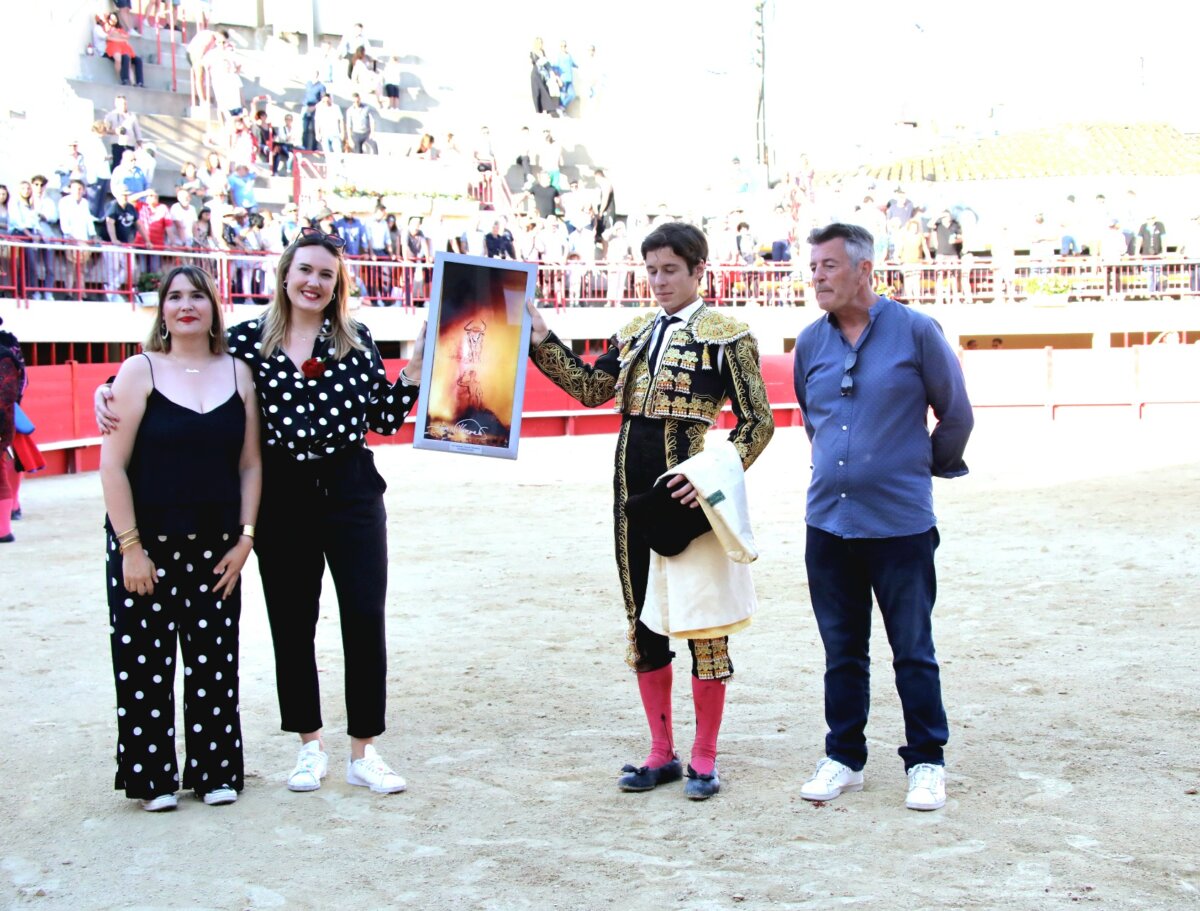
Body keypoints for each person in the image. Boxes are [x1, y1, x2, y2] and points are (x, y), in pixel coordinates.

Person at [97, 228, 428, 796]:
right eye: (305, 270)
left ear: (337, 285)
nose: (313, 282)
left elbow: (384, 417)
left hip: (351, 489)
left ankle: (364, 751)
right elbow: (184, 364)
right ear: (285, 275)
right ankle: (309, 745)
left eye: (326, 275)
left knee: (363, 618)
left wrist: (416, 368)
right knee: (292, 622)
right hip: (284, 495)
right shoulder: (249, 341)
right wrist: (108, 388)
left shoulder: (356, 338)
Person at [526, 222, 775, 799]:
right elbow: (591, 389)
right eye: (652, 270)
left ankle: (704, 756)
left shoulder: (727, 336)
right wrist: (542, 338)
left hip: (690, 497)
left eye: (670, 270)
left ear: (698, 271)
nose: (659, 281)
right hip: (631, 497)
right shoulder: (635, 331)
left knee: (704, 622)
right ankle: (661, 753)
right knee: (643, 620)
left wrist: (709, 477)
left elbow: (758, 423)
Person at [791, 223, 973, 812]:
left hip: (900, 525)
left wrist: (920, 468)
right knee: (841, 652)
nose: (817, 277)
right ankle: (844, 758)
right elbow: (814, 421)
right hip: (828, 523)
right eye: (813, 267)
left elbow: (956, 415)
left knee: (913, 650)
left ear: (865, 269)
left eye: (829, 266)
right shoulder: (810, 343)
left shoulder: (916, 331)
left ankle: (927, 761)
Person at [99, 265, 262, 811]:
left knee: (215, 663)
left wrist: (245, 539)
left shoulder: (239, 373)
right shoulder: (139, 370)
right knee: (144, 665)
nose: (186, 305)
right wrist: (130, 548)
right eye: (174, 297)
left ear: (214, 308)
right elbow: (112, 466)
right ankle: (153, 780)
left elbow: (250, 464)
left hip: (217, 546)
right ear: (162, 311)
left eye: (197, 296)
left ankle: (215, 772)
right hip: (145, 544)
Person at [0, 317, 25, 542]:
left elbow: (11, 392)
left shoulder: (6, 351)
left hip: (4, 417)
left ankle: (4, 527)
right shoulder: (10, 348)